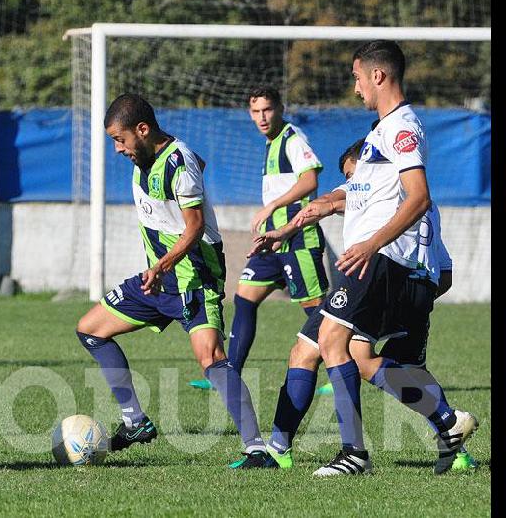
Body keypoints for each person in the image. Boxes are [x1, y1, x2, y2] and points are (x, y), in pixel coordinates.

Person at [250, 39, 477, 476]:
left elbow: (418, 197)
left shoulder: (402, 128)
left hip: (379, 260)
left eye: (357, 78)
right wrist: (298, 220)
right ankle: (447, 422)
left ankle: (353, 453)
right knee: (351, 352)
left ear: (378, 76)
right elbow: (359, 192)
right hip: (373, 261)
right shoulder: (379, 131)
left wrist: (371, 245)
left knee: (333, 342)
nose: (355, 88)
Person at [75, 93, 270, 464]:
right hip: (157, 280)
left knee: (211, 359)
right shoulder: (151, 155)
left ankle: (257, 449)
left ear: (143, 130)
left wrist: (161, 265)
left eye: (120, 139)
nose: (118, 149)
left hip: (191, 278)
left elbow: (194, 228)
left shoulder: (178, 164)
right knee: (90, 329)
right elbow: (200, 162)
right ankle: (135, 421)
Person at [189, 86, 328, 391]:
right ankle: (230, 374)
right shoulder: (271, 143)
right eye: (256, 111)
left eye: (267, 109)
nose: (262, 117)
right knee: (244, 298)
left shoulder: (292, 139)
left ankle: (341, 370)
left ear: (280, 107)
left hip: (298, 238)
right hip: (272, 243)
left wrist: (273, 205)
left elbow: (310, 180)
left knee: (317, 308)